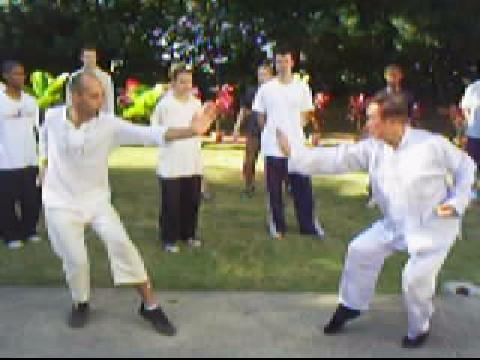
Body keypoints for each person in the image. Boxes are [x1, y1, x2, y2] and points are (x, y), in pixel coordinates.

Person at [277, 92, 476, 349]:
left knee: (414, 279)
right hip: (394, 224)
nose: (366, 124)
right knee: (361, 250)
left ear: (393, 121)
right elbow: (339, 158)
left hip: (433, 228)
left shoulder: (431, 145)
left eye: (371, 118)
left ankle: (419, 327)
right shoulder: (373, 149)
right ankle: (351, 305)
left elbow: (466, 167)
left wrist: (457, 202)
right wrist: (296, 154)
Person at [39, 71, 217, 334]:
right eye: (94, 96)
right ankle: (81, 302)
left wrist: (191, 130)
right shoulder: (52, 118)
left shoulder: (108, 125)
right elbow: (44, 141)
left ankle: (150, 306)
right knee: (76, 260)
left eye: (102, 96)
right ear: (75, 97)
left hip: (97, 201)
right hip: (59, 203)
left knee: (122, 245)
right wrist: (43, 165)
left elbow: (151, 134)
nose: (100, 102)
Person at [252, 45, 324, 240]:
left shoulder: (301, 87)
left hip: (296, 148)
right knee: (275, 190)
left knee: (302, 188)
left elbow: (307, 113)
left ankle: (308, 225)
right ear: (275, 64)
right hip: (272, 148)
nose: (282, 65)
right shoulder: (267, 89)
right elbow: (260, 114)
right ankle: (278, 225)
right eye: (278, 61)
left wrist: (294, 130)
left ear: (292, 62)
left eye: (286, 61)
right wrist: (271, 131)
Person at [151, 64, 204, 253]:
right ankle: (169, 238)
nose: (186, 85)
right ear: (172, 83)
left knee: (191, 201)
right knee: (171, 203)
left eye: (189, 81)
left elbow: (201, 128)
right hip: (171, 163)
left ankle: (188, 234)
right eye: (181, 81)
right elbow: (156, 131)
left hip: (192, 160)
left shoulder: (196, 104)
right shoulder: (164, 105)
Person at [0, 61, 42, 250]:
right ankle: (11, 235)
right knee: (7, 202)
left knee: (32, 200)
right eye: (16, 74)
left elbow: (37, 129)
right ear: (6, 76)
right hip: (6, 161)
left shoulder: (30, 102)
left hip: (29, 159)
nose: (20, 77)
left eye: (22, 74)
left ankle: (29, 231)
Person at [233, 63, 274, 198]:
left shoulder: (277, 92)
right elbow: (244, 110)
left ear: (271, 76)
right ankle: (249, 186)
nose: (261, 78)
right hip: (253, 131)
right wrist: (237, 128)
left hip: (272, 132)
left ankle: (281, 188)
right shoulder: (252, 91)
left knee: (276, 162)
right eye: (259, 75)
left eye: (264, 74)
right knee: (249, 161)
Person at [66, 45, 115, 115]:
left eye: (92, 57)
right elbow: (69, 101)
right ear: (82, 58)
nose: (90, 60)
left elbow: (109, 102)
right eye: (87, 57)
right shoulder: (74, 78)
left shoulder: (105, 78)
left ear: (96, 58)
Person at [460, 69, 480, 198]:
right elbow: (465, 108)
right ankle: (473, 192)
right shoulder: (473, 88)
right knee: (473, 165)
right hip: (474, 133)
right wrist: (470, 122)